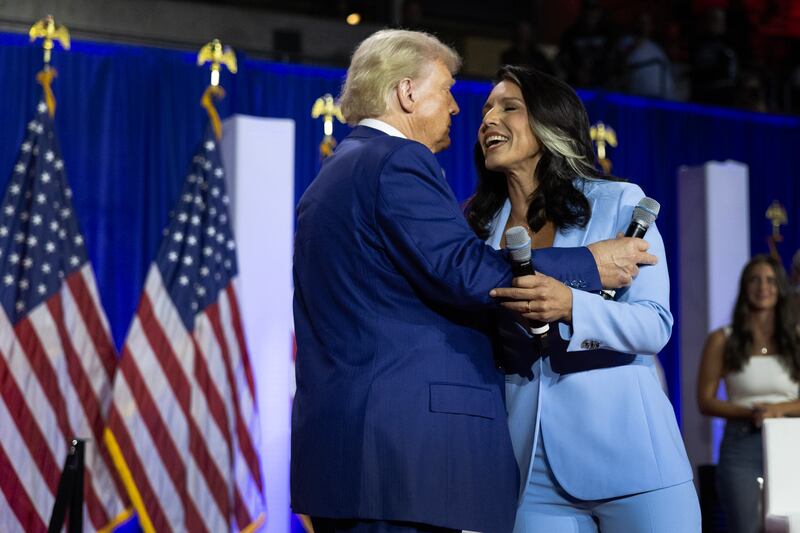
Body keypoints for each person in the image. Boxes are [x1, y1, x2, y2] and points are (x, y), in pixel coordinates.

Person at [291, 30, 655, 533]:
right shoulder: (398, 162)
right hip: (400, 461)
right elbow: (466, 274)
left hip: (354, 459)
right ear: (407, 93)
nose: (460, 112)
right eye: (448, 90)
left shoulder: (330, 176)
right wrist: (590, 263)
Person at [475, 66, 700, 532]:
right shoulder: (476, 228)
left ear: (549, 124)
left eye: (508, 107)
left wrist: (572, 305)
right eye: (486, 109)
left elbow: (654, 325)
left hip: (635, 458)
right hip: (529, 471)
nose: (489, 119)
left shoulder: (619, 203)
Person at [697, 255, 800, 533]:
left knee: (790, 525)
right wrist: (752, 412)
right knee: (745, 527)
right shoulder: (722, 339)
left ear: (780, 287)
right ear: (744, 287)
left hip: (791, 442)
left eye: (769, 280)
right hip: (741, 443)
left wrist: (779, 410)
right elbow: (705, 401)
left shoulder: (796, 339)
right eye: (754, 280)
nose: (762, 287)